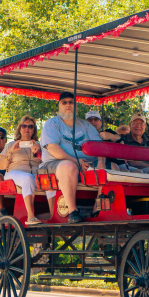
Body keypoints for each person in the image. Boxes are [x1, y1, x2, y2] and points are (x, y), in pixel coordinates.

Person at [39, 92, 102, 224]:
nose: (68, 105)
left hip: (86, 165)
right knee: (68, 166)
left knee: (111, 168)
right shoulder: (52, 123)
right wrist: (75, 161)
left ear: (76, 106)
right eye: (64, 102)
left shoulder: (86, 125)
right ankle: (73, 212)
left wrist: (101, 162)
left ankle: (99, 206)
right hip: (55, 165)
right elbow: (52, 148)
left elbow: (99, 146)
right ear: (59, 106)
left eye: (71, 102)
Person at [0, 115, 44, 225]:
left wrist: (39, 150)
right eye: (24, 126)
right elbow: (2, 166)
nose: (27, 129)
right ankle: (30, 216)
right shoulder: (11, 145)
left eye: (30, 126)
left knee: (45, 179)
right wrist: (11, 151)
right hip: (14, 173)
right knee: (28, 178)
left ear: (34, 130)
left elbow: (46, 162)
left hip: (35, 174)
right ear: (20, 128)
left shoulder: (40, 145)